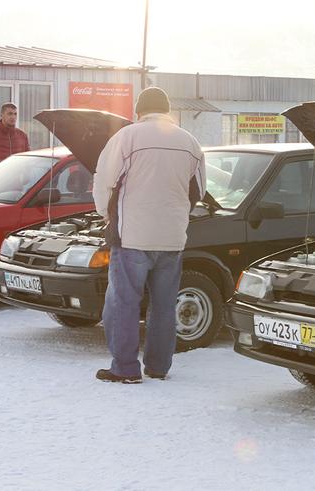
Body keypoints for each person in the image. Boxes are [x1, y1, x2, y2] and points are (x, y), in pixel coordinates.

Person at [93, 87, 206, 384]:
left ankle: (125, 368)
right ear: (167, 110)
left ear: (138, 110)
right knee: (165, 305)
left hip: (132, 237)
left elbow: (105, 181)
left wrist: (106, 214)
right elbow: (199, 191)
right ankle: (158, 366)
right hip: (172, 238)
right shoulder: (190, 142)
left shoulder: (127, 137)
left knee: (124, 302)